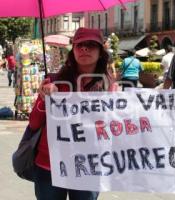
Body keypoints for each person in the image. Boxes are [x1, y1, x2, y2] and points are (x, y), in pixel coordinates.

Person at [29, 27, 117, 200]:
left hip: (89, 166)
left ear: (101, 52)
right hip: (50, 166)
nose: (84, 49)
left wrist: (117, 106)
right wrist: (43, 98)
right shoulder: (54, 81)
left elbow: (114, 129)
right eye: (79, 45)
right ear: (73, 51)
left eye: (91, 45)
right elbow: (33, 123)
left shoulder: (110, 87)